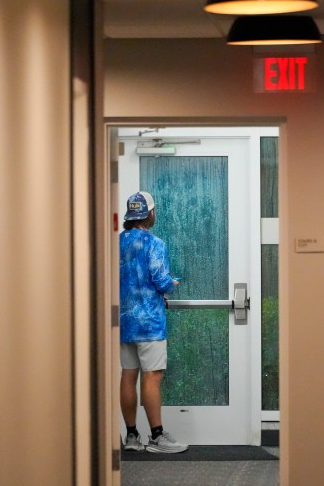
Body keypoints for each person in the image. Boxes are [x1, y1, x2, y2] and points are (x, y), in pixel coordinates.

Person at [119, 191, 189, 454]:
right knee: (152, 377)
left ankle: (132, 437)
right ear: (149, 213)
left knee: (128, 375)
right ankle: (158, 437)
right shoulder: (154, 243)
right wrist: (173, 283)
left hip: (124, 322)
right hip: (149, 323)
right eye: (153, 210)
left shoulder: (116, 243)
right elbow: (161, 282)